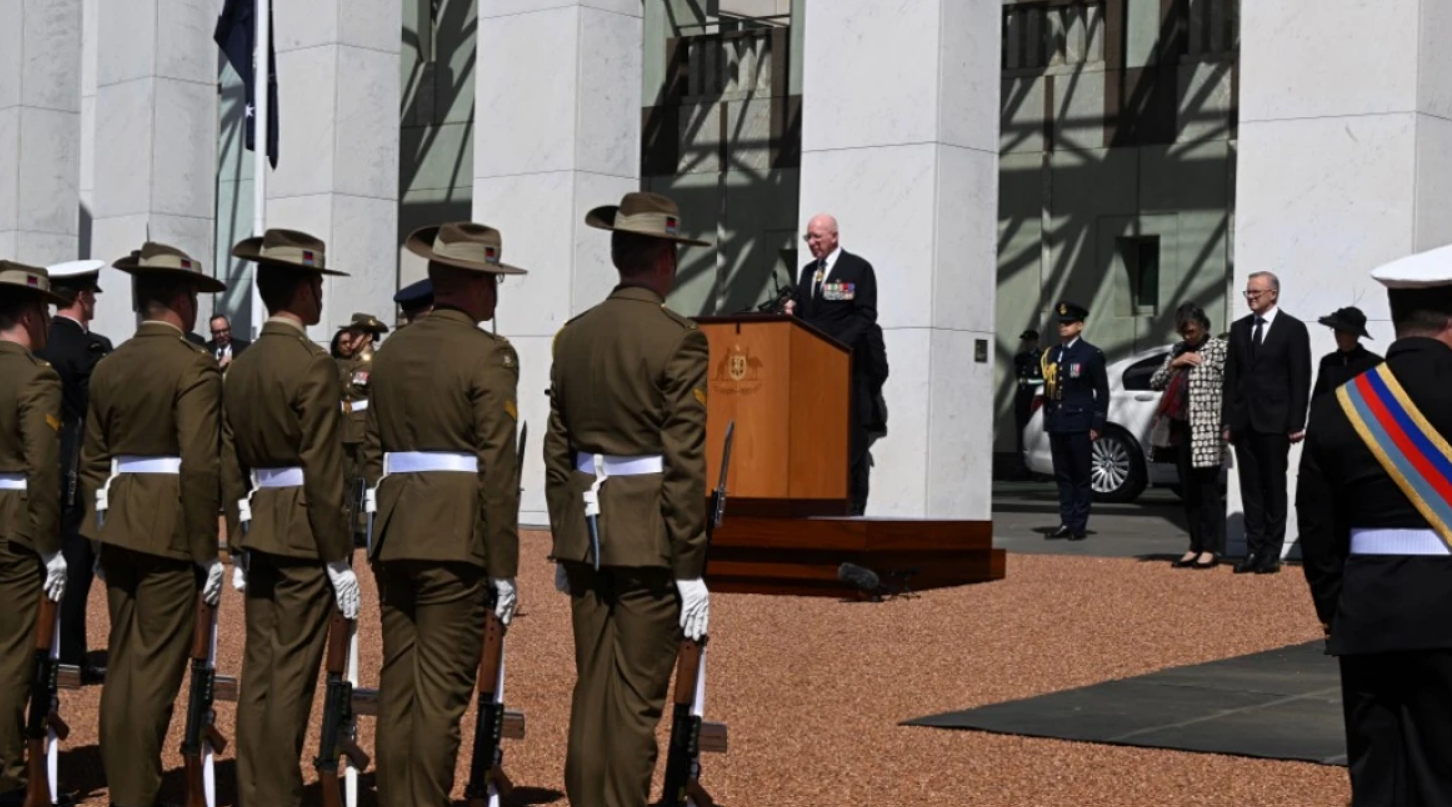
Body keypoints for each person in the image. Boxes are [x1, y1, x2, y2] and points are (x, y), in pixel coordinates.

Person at [545, 191, 711, 807]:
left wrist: (566, 538)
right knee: (636, 701)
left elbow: (556, 450)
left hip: (587, 535)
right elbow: (684, 463)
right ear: (665, 259)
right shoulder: (679, 340)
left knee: (593, 691)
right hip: (648, 541)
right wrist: (689, 566)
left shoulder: (575, 336)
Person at [362, 222, 521, 807]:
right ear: (474, 286)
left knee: (399, 687)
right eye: (492, 280)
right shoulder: (491, 354)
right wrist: (504, 567)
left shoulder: (394, 348)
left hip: (397, 529)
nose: (497, 293)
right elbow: (498, 470)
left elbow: (371, 448)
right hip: (455, 539)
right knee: (440, 696)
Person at [1297, 252, 1452, 806]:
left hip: (1368, 610)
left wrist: (1335, 605)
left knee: (1378, 777)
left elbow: (1316, 521)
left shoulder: (1344, 402)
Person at [77, 242, 226, 807]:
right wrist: (205, 550)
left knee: (124, 662)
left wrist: (100, 524)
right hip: (167, 529)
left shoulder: (111, 364)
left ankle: (127, 784)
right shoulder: (192, 366)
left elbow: (91, 459)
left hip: (119, 524)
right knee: (156, 673)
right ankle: (136, 791)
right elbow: (200, 463)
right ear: (184, 301)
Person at [222, 229, 359, 807]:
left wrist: (237, 537)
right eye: (318, 283)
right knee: (292, 677)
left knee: (260, 670)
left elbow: (229, 459)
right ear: (302, 289)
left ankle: (254, 788)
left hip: (262, 525)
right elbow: (325, 474)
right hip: (304, 533)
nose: (322, 295)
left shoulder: (243, 366)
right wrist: (339, 558)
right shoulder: (313, 366)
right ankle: (276, 793)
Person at [0, 261, 67, 803]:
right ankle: (6, 779)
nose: (47, 320)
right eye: (44, 310)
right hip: (14, 525)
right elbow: (43, 468)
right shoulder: (36, 375)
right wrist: (51, 547)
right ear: (28, 313)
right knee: (11, 659)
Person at [37, 259, 113, 683]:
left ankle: (41, 651)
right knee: (76, 563)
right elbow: (97, 410)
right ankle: (68, 655)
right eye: (92, 296)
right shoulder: (85, 348)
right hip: (75, 467)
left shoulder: (39, 340)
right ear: (83, 297)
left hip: (38, 466)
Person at [783, 214, 879, 515]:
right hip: (815, 372)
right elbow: (804, 313)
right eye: (808, 238)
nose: (812, 244)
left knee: (850, 446)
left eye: (817, 237)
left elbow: (865, 316)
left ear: (834, 236)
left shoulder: (858, 269)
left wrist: (836, 348)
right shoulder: (808, 272)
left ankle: (853, 509)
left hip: (848, 371)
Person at [1222, 271, 1312, 574]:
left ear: (1273, 293)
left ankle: (1272, 552)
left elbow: (1300, 378)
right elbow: (1231, 380)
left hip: (1275, 422)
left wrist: (1296, 421)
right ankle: (1253, 549)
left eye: (1256, 292)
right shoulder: (1239, 329)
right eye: (1248, 292)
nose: (1251, 297)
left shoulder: (1293, 329)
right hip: (1244, 421)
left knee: (1273, 487)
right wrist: (1228, 421)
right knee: (1250, 488)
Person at [1150, 304, 1228, 569]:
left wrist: (1228, 424)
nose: (1188, 337)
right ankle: (1194, 544)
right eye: (1183, 332)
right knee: (1189, 492)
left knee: (1209, 491)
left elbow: (1231, 387)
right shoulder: (1177, 350)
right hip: (1180, 430)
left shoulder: (1218, 349)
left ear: (1203, 326)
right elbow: (1155, 381)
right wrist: (1175, 363)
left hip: (1207, 429)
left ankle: (1211, 546)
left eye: (1191, 331)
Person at [1040, 301, 1108, 541]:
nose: (1063, 327)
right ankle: (1065, 521)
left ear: (1080, 325)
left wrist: (1097, 423)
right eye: (1061, 323)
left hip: (1080, 422)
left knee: (1080, 475)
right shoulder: (1053, 353)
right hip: (1058, 422)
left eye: (1068, 323)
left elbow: (1102, 391)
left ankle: (1078, 525)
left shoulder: (1091, 354)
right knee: (1063, 476)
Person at [335, 312, 387, 547]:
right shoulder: (350, 362)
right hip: (345, 426)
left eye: (355, 334)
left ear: (367, 337)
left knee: (367, 480)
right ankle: (348, 527)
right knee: (346, 480)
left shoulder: (376, 362)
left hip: (365, 427)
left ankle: (369, 528)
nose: (351, 337)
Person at [1312, 306, 1382, 400]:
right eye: (1336, 330)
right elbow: (1318, 399)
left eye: (1343, 331)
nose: (1338, 335)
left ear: (1355, 334)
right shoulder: (1328, 362)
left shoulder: (1374, 364)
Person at [1013, 329, 1044, 478]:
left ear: (1036, 341)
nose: (1027, 344)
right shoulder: (1020, 358)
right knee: (1021, 434)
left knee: (1035, 434)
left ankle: (1037, 471)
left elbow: (1044, 380)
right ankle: (1020, 468)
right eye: (1025, 341)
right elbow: (1018, 378)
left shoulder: (1043, 358)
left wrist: (1029, 382)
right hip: (1022, 400)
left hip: (1036, 400)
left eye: (1030, 341)